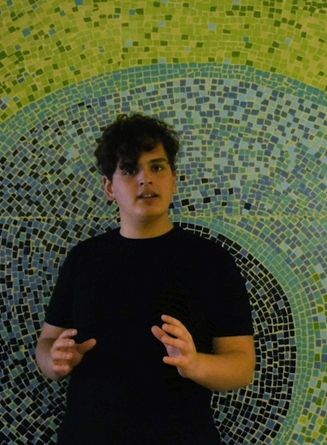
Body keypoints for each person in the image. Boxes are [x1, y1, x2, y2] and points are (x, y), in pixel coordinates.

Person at [35, 113, 256, 444]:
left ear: (174, 179)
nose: (145, 179)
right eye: (129, 170)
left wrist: (195, 364)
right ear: (109, 187)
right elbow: (46, 343)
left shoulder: (210, 261)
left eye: (157, 167)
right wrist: (54, 361)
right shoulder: (84, 259)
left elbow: (242, 366)